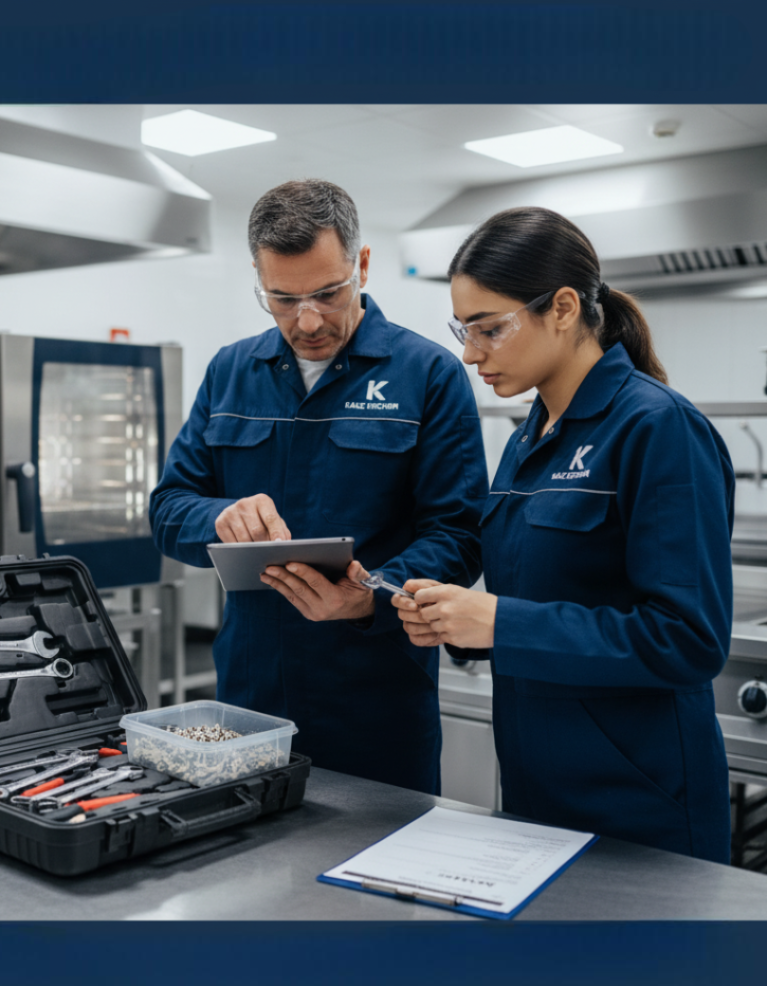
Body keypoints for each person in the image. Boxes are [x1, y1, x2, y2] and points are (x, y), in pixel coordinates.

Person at [393, 206, 733, 861]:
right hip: (534, 796)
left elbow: (687, 641)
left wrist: (498, 623)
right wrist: (457, 624)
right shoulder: (528, 438)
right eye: (463, 330)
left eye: (490, 329)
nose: (469, 353)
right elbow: (544, 597)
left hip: (638, 809)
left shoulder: (656, 429)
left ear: (565, 308)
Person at [150, 179, 487, 794]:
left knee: (376, 883)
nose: (306, 321)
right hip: (247, 707)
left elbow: (459, 537)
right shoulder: (231, 371)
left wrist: (368, 598)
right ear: (258, 276)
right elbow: (168, 510)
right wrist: (219, 518)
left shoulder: (428, 374)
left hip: (377, 710)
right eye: (281, 299)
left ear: (361, 264)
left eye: (328, 294)